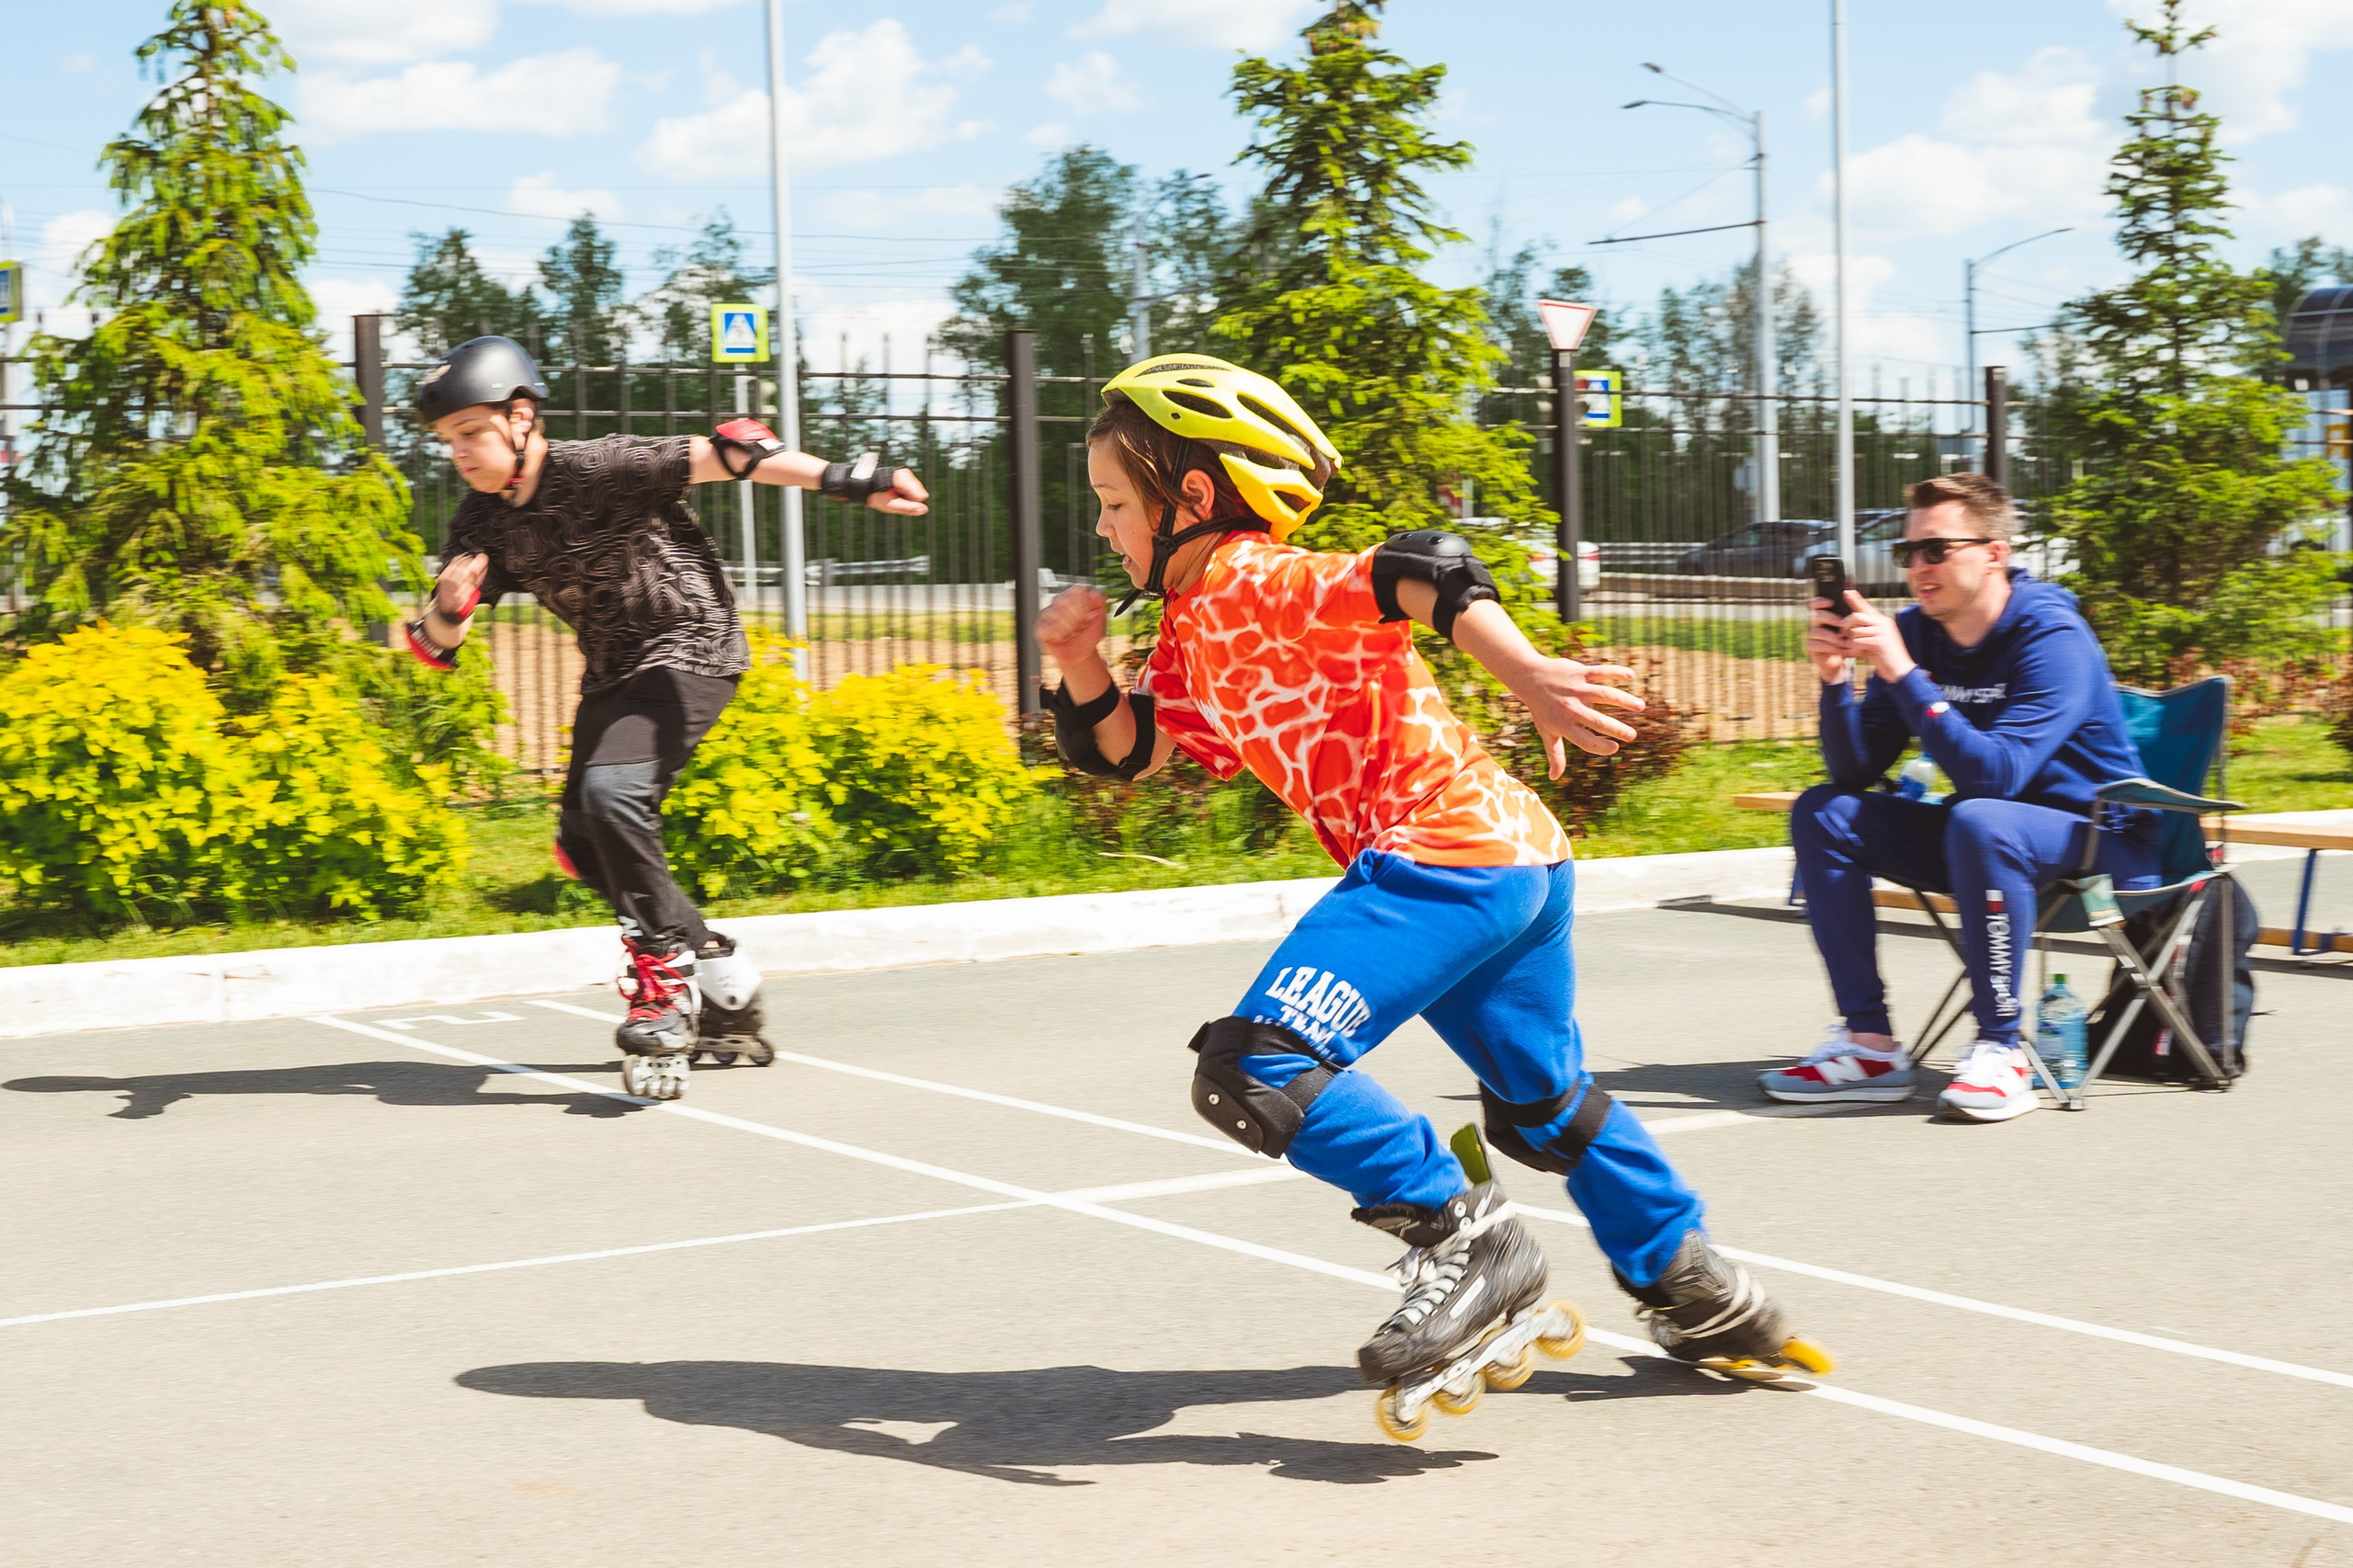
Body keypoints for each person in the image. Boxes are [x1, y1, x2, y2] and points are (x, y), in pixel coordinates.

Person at [1036, 354, 1831, 1435]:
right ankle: (1691, 1281)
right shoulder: (1188, 631)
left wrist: (1526, 672)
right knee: (1543, 1101)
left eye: (1114, 503)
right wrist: (1080, 660)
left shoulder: (1248, 579)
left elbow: (1424, 566)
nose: (1101, 530)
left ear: (1192, 497)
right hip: (1514, 859)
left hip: (1440, 855)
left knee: (1255, 1065)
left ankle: (1467, 1236)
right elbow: (1126, 751)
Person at [404, 335, 929, 1101]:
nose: (462, 454)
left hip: (691, 645)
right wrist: (450, 608)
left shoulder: (598, 466)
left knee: (616, 796)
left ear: (522, 418)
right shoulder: (480, 523)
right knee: (584, 847)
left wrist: (858, 480)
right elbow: (437, 641)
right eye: (451, 442)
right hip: (615, 671)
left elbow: (735, 451)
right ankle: (719, 973)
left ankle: (663, 987)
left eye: (473, 434)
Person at [1760, 472, 2159, 1122]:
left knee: (1981, 817)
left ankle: (2003, 1051)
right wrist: (1836, 681)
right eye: (1908, 553)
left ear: (1994, 553)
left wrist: (1903, 674)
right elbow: (1855, 770)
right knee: (1823, 813)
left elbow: (1995, 776)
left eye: (1936, 549)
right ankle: (1870, 1046)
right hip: (1989, 842)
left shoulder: (2052, 636)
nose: (1918, 566)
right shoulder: (1918, 634)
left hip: (2105, 842)